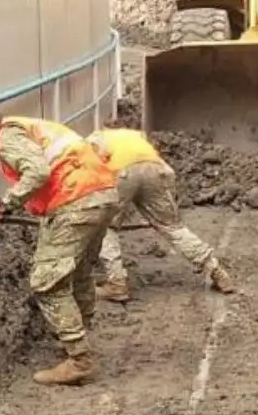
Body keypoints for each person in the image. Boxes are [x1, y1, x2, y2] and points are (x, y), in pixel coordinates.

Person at [0, 101, 120, 386]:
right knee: (80, 272)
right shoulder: (32, 126)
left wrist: (4, 205)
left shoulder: (7, 136)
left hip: (75, 197)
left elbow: (37, 172)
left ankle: (79, 360)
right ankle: (77, 340)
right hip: (101, 193)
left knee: (46, 280)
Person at [86, 124, 234, 302]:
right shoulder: (135, 135)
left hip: (122, 172)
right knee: (172, 227)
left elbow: (97, 161)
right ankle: (215, 269)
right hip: (157, 169)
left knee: (106, 228)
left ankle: (116, 283)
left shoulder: (96, 137)